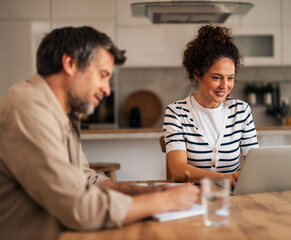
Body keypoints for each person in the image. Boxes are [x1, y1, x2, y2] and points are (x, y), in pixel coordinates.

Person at [0, 26, 199, 240]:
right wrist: (166, 202)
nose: (106, 89)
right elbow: (79, 208)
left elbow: (84, 178)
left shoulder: (62, 113)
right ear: (70, 64)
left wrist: (146, 192)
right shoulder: (26, 108)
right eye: (103, 75)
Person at [163, 24, 259, 187]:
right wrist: (222, 178)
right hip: (191, 200)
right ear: (197, 74)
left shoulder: (241, 111)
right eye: (216, 77)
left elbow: (256, 163)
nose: (225, 86)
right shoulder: (176, 113)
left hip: (233, 200)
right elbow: (178, 170)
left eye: (230, 78)